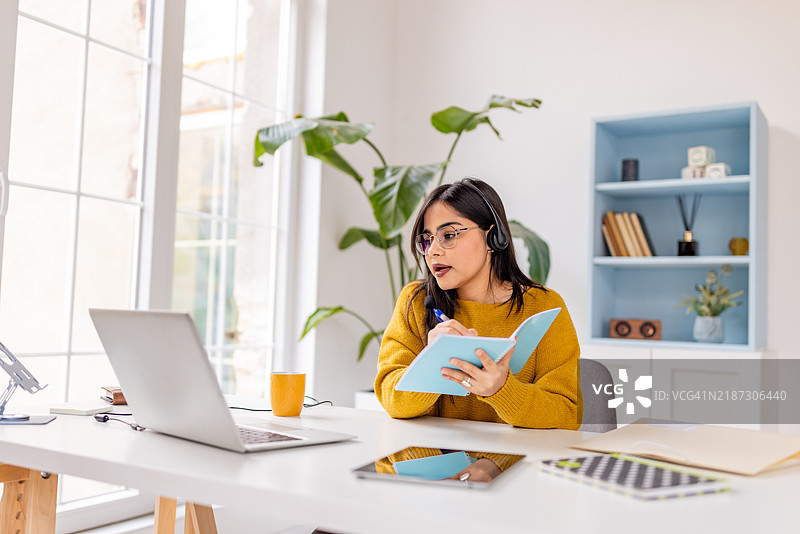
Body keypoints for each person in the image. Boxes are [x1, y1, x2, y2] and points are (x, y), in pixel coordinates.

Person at [375, 177, 582, 430]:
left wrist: (502, 390)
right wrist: (432, 362)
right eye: (427, 240)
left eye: (448, 235)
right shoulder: (415, 301)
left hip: (519, 462)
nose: (432, 251)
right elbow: (391, 400)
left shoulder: (543, 305)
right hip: (438, 461)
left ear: (492, 237)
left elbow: (567, 415)